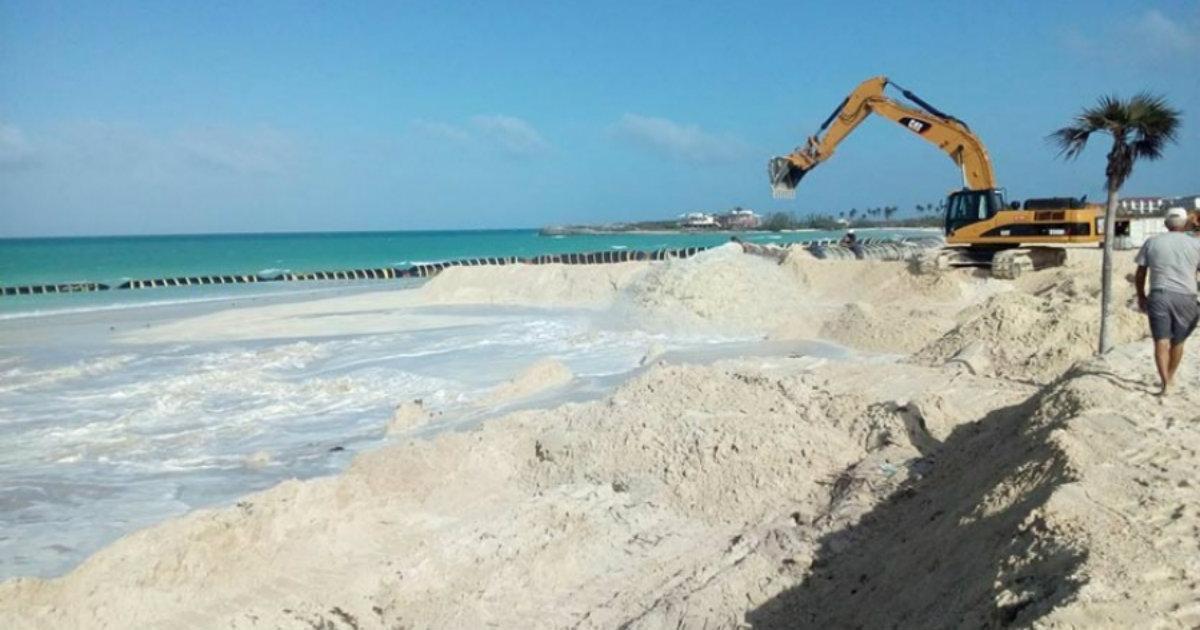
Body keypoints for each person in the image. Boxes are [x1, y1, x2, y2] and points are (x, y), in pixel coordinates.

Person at [1135, 207, 1200, 395]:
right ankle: (1170, 377)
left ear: (1165, 224)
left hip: (1159, 295)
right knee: (1178, 343)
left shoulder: (1152, 242)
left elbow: (1141, 273)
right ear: (1185, 223)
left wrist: (1141, 295)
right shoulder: (1196, 244)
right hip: (1186, 296)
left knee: (1160, 342)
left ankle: (1164, 382)